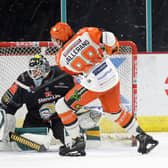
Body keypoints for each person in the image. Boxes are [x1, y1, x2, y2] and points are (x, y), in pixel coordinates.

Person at [50, 22, 159, 156]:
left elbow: (76, 72)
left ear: (59, 40)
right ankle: (142, 136)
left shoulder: (60, 58)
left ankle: (76, 142)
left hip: (95, 83)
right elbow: (108, 36)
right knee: (114, 112)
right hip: (111, 75)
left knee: (63, 107)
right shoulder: (85, 32)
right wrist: (112, 49)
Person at [0, 54, 75, 151]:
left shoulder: (63, 74)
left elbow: (77, 96)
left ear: (46, 69)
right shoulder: (24, 81)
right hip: (35, 118)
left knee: (72, 142)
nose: (33, 73)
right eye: (32, 70)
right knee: (34, 146)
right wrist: (5, 130)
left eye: (37, 70)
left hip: (60, 117)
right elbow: (7, 107)